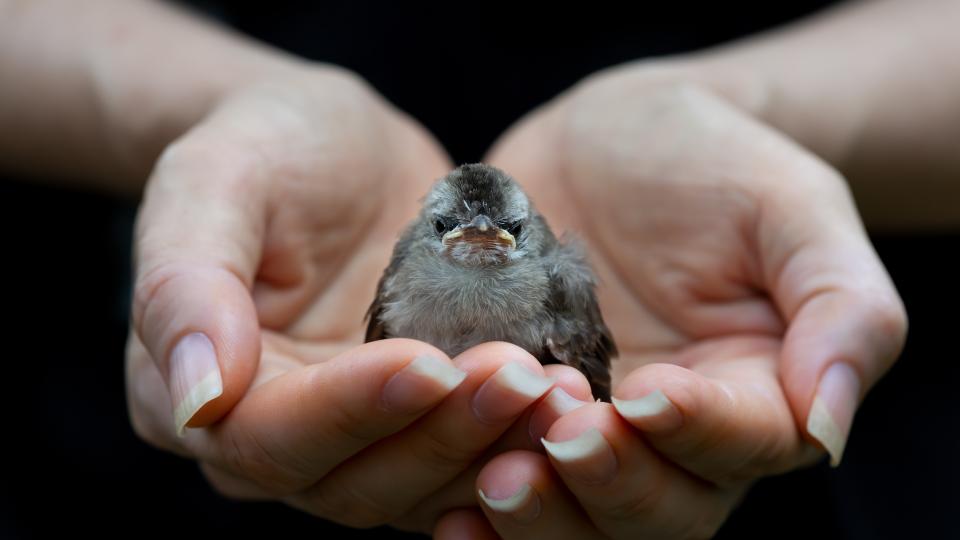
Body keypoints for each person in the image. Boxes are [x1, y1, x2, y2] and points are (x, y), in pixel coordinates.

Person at [1, 0, 955, 537]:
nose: (483, 248)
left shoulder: (556, 289)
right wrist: (223, 103)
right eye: (455, 233)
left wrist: (753, 105)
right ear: (428, 236)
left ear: (528, 237)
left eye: (507, 235)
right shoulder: (404, 281)